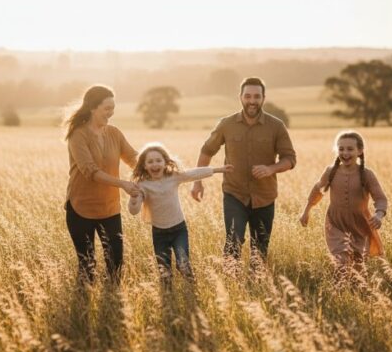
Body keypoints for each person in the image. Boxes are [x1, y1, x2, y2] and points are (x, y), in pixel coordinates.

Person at [190, 77, 296, 263]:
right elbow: (207, 151)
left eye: (256, 96)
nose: (252, 101)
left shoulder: (276, 126)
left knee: (260, 247)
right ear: (240, 97)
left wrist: (271, 169)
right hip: (234, 195)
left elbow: (290, 159)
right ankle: (231, 286)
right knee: (233, 241)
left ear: (263, 98)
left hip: (264, 196)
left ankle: (257, 286)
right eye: (248, 96)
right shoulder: (226, 124)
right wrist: (197, 182)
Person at [64, 85, 139, 284]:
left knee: (116, 264)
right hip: (81, 208)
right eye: (107, 108)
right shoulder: (77, 135)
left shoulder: (114, 133)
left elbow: (132, 157)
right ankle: (83, 308)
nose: (111, 112)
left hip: (110, 208)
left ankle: (112, 304)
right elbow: (90, 171)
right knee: (87, 266)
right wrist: (122, 183)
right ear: (92, 108)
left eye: (113, 108)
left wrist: (157, 168)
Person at [128, 143, 232, 284]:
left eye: (158, 160)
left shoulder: (173, 177)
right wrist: (134, 199)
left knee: (183, 264)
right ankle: (168, 296)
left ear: (165, 163)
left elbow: (193, 173)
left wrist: (219, 169)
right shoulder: (142, 185)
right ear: (144, 166)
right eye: (150, 161)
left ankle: (191, 288)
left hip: (179, 229)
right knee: (164, 270)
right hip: (159, 232)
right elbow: (134, 211)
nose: (155, 164)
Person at [298, 130, 388, 277]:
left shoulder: (367, 174)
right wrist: (306, 210)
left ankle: (355, 293)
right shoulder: (331, 171)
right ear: (336, 150)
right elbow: (318, 190)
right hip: (335, 223)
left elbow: (380, 198)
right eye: (341, 149)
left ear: (360, 151)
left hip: (360, 225)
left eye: (350, 149)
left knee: (358, 265)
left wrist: (379, 215)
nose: (345, 153)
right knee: (342, 260)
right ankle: (337, 292)